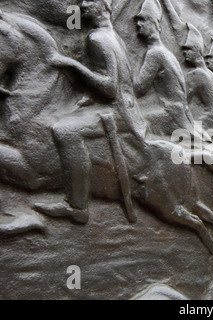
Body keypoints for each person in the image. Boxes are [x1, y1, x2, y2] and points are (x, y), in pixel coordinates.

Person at [34, 0, 148, 223]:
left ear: (104, 6)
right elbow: (127, 83)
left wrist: (72, 65)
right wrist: (88, 99)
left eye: (90, 1)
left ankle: (77, 206)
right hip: (129, 112)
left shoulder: (96, 39)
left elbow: (110, 88)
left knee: (64, 130)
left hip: (116, 115)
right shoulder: (115, 37)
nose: (83, 5)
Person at [134, 0, 195, 138]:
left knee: (132, 126)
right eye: (137, 20)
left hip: (169, 114)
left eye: (142, 20)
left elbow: (139, 89)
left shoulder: (155, 53)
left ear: (154, 23)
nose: (138, 24)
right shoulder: (167, 52)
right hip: (178, 112)